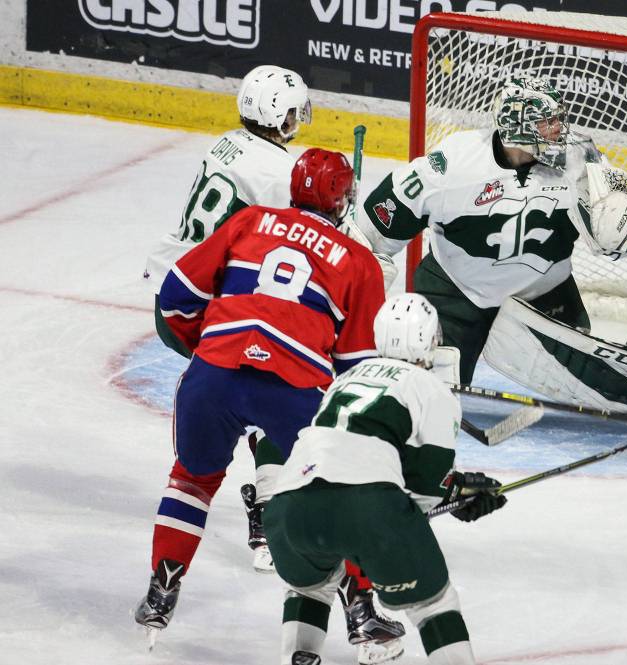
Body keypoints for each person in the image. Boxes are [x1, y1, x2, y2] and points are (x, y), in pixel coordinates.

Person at [134, 149, 406, 662]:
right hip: (292, 388)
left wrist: (210, 346)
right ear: (339, 199)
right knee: (345, 490)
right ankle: (362, 611)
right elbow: (357, 369)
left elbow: (175, 295)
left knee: (191, 481)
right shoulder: (358, 260)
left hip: (215, 374)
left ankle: (160, 592)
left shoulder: (250, 221)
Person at [351, 76, 627, 439]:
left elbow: (616, 238)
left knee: (581, 367)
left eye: (559, 118)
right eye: (547, 121)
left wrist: (617, 221)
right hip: (456, 290)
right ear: (516, 125)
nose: (560, 129)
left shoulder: (579, 160)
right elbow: (369, 234)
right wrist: (354, 300)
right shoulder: (454, 166)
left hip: (544, 292)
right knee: (418, 400)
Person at [264, 293, 508, 665]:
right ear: (429, 340)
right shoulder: (431, 389)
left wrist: (457, 488)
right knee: (435, 604)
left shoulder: (344, 380)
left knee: (309, 589)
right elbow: (423, 494)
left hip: (288, 505)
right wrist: (459, 496)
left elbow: (359, 449)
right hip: (366, 505)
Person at [143, 64, 312, 571]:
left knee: (255, 382)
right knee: (271, 377)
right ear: (280, 117)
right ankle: (266, 510)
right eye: (293, 110)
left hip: (173, 291)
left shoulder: (226, 144)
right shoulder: (278, 173)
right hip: (208, 301)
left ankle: (262, 501)